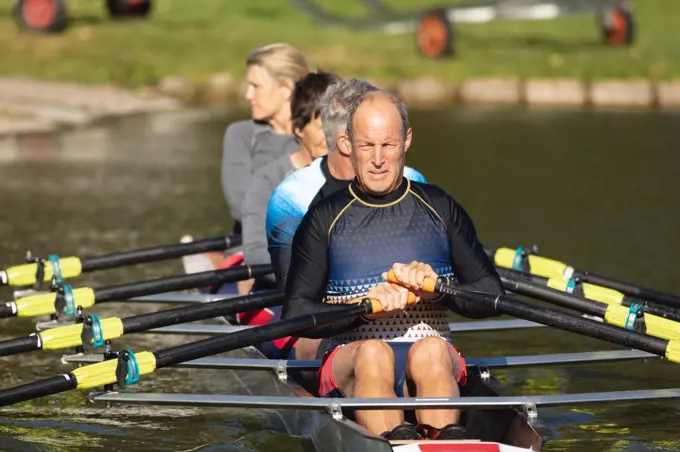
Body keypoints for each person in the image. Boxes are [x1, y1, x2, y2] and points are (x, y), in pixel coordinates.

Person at [281, 89, 504, 441]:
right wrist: (361, 310)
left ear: (407, 140)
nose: (378, 159)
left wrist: (438, 291)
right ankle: (396, 441)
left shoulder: (440, 207)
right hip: (351, 353)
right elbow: (294, 312)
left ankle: (442, 439)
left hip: (431, 353)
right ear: (347, 144)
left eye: (388, 145)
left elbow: (490, 293)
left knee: (430, 350)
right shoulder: (324, 218)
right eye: (367, 146)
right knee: (374, 352)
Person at [266, 79, 426, 288]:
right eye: (369, 139)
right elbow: (294, 290)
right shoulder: (291, 197)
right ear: (345, 142)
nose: (379, 158)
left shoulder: (413, 179)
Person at [236, 70, 341, 299]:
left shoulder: (360, 177)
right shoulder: (268, 181)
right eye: (322, 126)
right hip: (283, 293)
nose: (333, 137)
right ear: (298, 128)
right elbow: (256, 255)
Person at [221, 43, 309, 236]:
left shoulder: (317, 136)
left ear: (287, 89)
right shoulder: (240, 134)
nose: (247, 95)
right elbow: (240, 207)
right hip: (252, 248)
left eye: (256, 86)